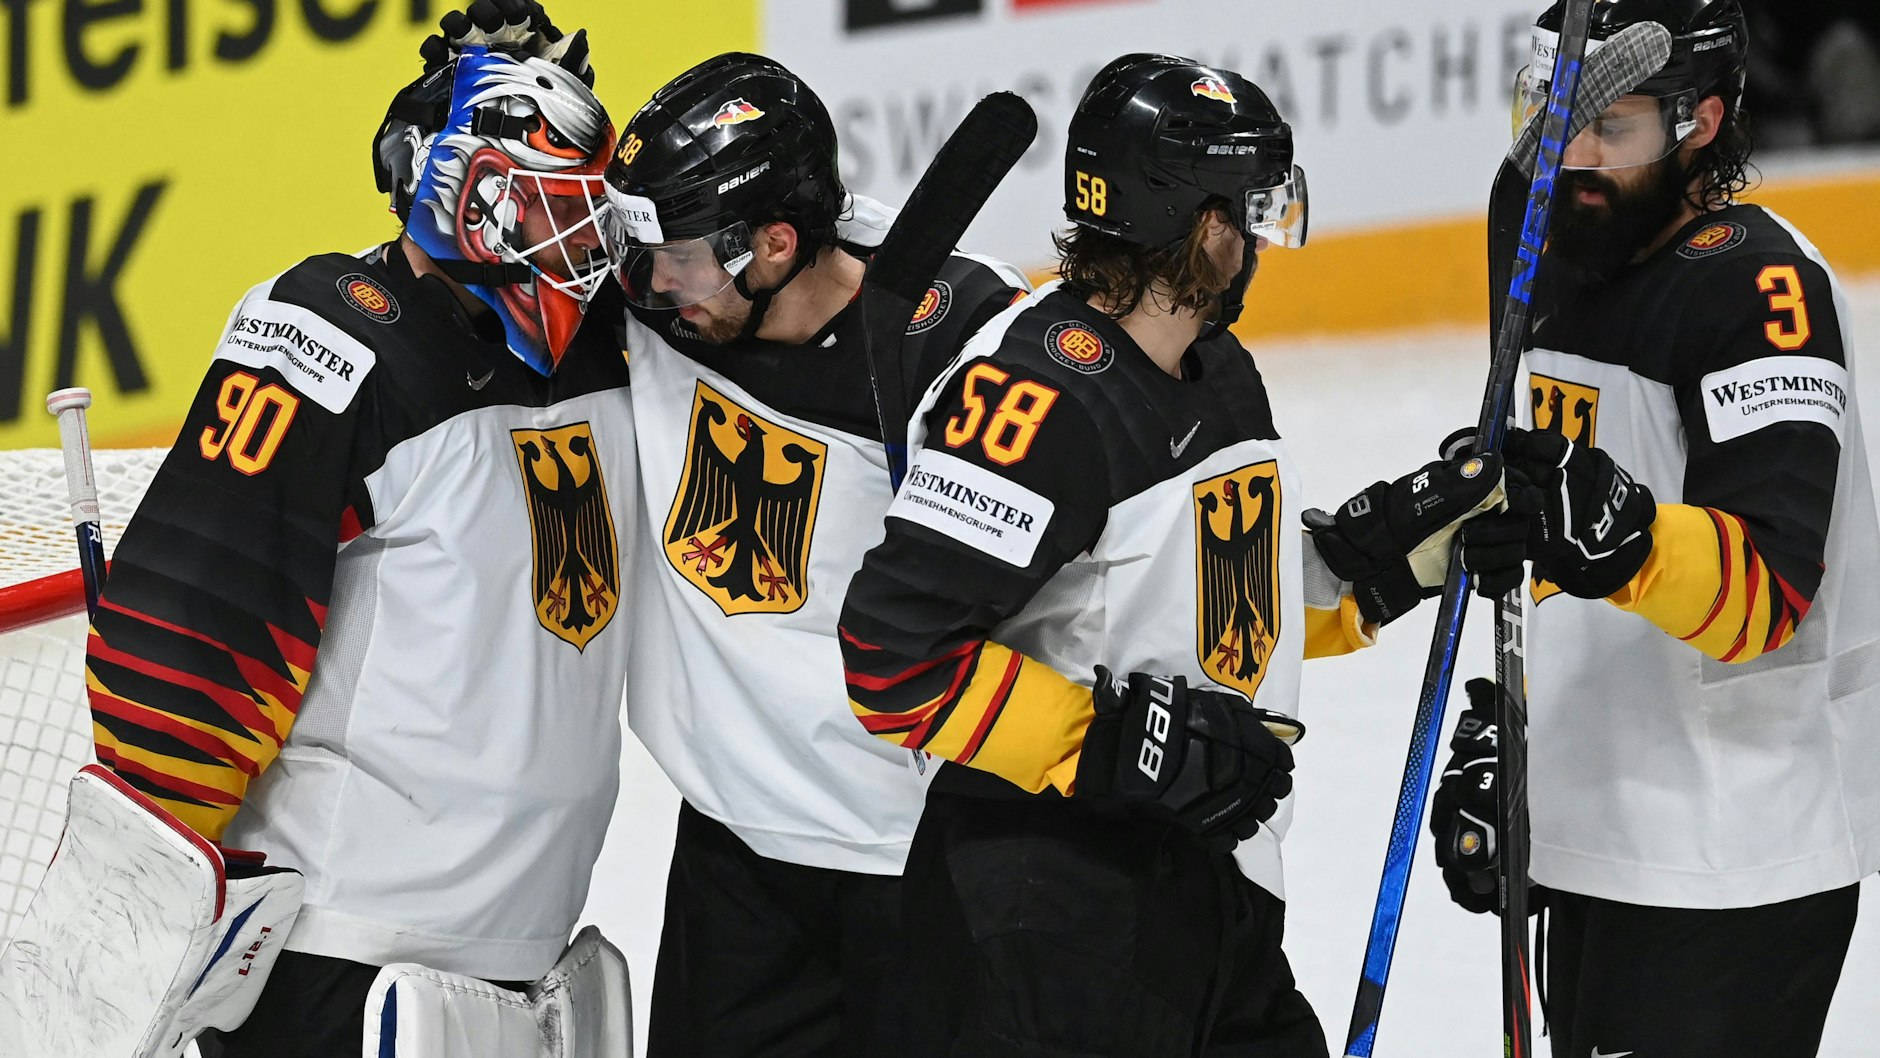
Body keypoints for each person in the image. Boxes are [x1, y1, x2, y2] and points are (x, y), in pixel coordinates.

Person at [837, 54, 1524, 1056]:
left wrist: (1378, 562)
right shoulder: (1032, 404)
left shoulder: (1217, 371)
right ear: (1203, 226)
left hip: (1204, 883)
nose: (1255, 238)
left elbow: (1198, 600)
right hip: (1048, 909)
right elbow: (891, 661)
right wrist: (1115, 743)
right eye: (1245, 211)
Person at [78, 9, 636, 1054]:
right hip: (343, 958)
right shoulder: (335, 330)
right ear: (467, 199)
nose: (582, 242)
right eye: (550, 208)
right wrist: (154, 881)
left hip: (527, 955)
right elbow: (193, 625)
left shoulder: (604, 353)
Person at [1429, 2, 1880, 1055]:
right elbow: (1548, 514)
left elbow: (1767, 587)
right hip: (1595, 835)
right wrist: (1517, 729)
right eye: (1550, 115)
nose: (1570, 154)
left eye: (1612, 126)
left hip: (1727, 852)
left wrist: (1623, 539)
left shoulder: (1757, 292)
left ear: (1702, 123)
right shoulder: (1540, 216)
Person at [597, 54, 1030, 1056]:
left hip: (923, 864)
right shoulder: (664, 310)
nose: (654, 286)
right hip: (733, 863)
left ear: (777, 243)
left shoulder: (967, 341)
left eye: (684, 259)